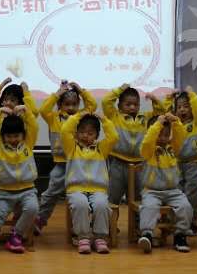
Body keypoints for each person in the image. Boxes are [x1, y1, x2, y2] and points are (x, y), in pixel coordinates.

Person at [35, 80, 95, 235]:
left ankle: (81, 226)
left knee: (81, 195)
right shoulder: (53, 118)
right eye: (67, 104)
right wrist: (57, 94)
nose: (71, 108)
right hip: (61, 164)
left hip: (78, 165)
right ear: (60, 105)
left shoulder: (81, 117)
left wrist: (81, 91)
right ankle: (40, 220)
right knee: (50, 194)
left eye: (74, 104)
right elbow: (43, 109)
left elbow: (92, 105)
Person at [0, 107, 40, 254]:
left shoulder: (28, 144)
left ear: (23, 135)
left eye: (16, 136)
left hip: (28, 191)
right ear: (2, 137)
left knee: (33, 208)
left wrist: (26, 111)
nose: (13, 140)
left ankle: (16, 236)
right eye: (9, 136)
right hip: (5, 193)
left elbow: (34, 126)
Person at [0, 78, 35, 222]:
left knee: (18, 193)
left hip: (20, 164)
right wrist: (1, 85)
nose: (8, 103)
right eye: (5, 99)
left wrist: (26, 93)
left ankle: (19, 216)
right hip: (0, 162)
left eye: (13, 100)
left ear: (20, 103)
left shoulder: (23, 116)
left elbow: (34, 112)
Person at [62, 110, 118, 255]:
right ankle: (83, 238)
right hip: (76, 189)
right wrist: (77, 116)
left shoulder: (101, 148)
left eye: (90, 133)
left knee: (101, 204)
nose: (85, 135)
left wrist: (104, 119)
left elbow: (113, 136)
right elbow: (65, 131)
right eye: (82, 132)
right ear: (76, 133)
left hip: (98, 190)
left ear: (97, 135)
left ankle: (100, 238)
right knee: (80, 204)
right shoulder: (71, 147)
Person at [137, 112, 193, 254]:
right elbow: (148, 141)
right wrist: (158, 124)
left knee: (185, 206)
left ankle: (180, 236)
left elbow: (181, 136)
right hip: (151, 191)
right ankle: (147, 234)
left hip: (173, 191)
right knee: (149, 207)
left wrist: (176, 122)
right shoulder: (148, 150)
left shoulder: (173, 148)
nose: (162, 138)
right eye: (159, 134)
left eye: (166, 135)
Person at [155, 88, 197, 217]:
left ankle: (192, 220)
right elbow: (165, 113)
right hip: (177, 163)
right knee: (176, 192)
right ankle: (177, 220)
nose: (182, 110)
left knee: (192, 194)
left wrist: (192, 95)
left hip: (195, 164)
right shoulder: (174, 123)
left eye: (186, 106)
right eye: (179, 107)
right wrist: (169, 98)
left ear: (192, 108)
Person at [102, 84, 148, 206]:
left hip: (139, 165)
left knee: (138, 200)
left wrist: (154, 99)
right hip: (118, 163)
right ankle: (110, 218)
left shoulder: (144, 118)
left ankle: (137, 219)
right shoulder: (115, 116)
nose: (132, 107)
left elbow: (160, 111)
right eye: (128, 104)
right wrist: (120, 89)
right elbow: (106, 101)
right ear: (119, 106)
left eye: (136, 104)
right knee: (113, 198)